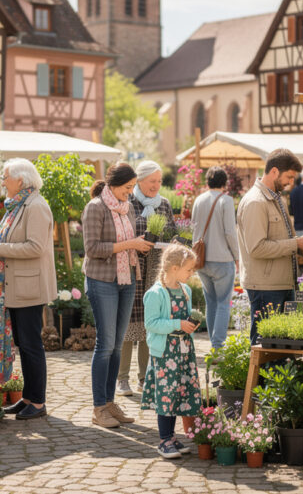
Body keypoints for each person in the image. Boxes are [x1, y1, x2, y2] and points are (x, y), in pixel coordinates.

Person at [0, 159, 54, 420]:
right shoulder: (18, 205)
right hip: (17, 286)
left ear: (20, 181)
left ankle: (39, 403)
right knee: (23, 344)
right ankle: (28, 398)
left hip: (28, 287)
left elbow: (36, 247)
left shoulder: (36, 206)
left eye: (5, 176)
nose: (2, 180)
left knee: (31, 345)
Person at [82, 163, 154, 428]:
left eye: (132, 187)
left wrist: (142, 244)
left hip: (127, 280)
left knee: (116, 345)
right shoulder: (95, 208)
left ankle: (110, 403)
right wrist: (131, 244)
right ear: (113, 184)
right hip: (103, 281)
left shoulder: (128, 208)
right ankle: (98, 407)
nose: (130, 192)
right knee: (105, 345)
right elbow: (91, 249)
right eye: (127, 187)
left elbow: (129, 242)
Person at [237, 149, 303, 343]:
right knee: (265, 346)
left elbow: (282, 239)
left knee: (281, 347)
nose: (291, 182)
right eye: (289, 177)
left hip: (281, 283)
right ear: (274, 171)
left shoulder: (277, 199)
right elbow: (257, 248)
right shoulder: (255, 202)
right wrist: (296, 243)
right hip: (265, 286)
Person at [118, 161, 174, 397]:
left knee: (149, 323)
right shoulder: (127, 202)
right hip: (132, 269)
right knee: (128, 325)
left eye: (159, 181)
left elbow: (172, 232)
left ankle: (144, 378)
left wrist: (173, 241)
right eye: (153, 181)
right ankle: (122, 379)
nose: (156, 185)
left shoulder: (164, 204)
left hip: (154, 271)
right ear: (140, 180)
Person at [141, 244, 202, 459]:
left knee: (178, 393)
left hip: (184, 352)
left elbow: (185, 319)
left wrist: (191, 324)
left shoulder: (186, 291)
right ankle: (164, 439)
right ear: (174, 268)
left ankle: (172, 437)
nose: (191, 273)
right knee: (166, 396)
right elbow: (151, 324)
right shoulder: (155, 293)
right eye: (189, 269)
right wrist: (178, 324)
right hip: (165, 354)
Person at [191, 166, 239, 349]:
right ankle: (218, 346)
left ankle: (214, 343)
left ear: (207, 181)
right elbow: (230, 233)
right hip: (222, 259)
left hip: (201, 259)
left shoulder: (198, 200)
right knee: (223, 303)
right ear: (225, 183)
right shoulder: (226, 201)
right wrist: (237, 256)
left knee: (210, 303)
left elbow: (194, 228)